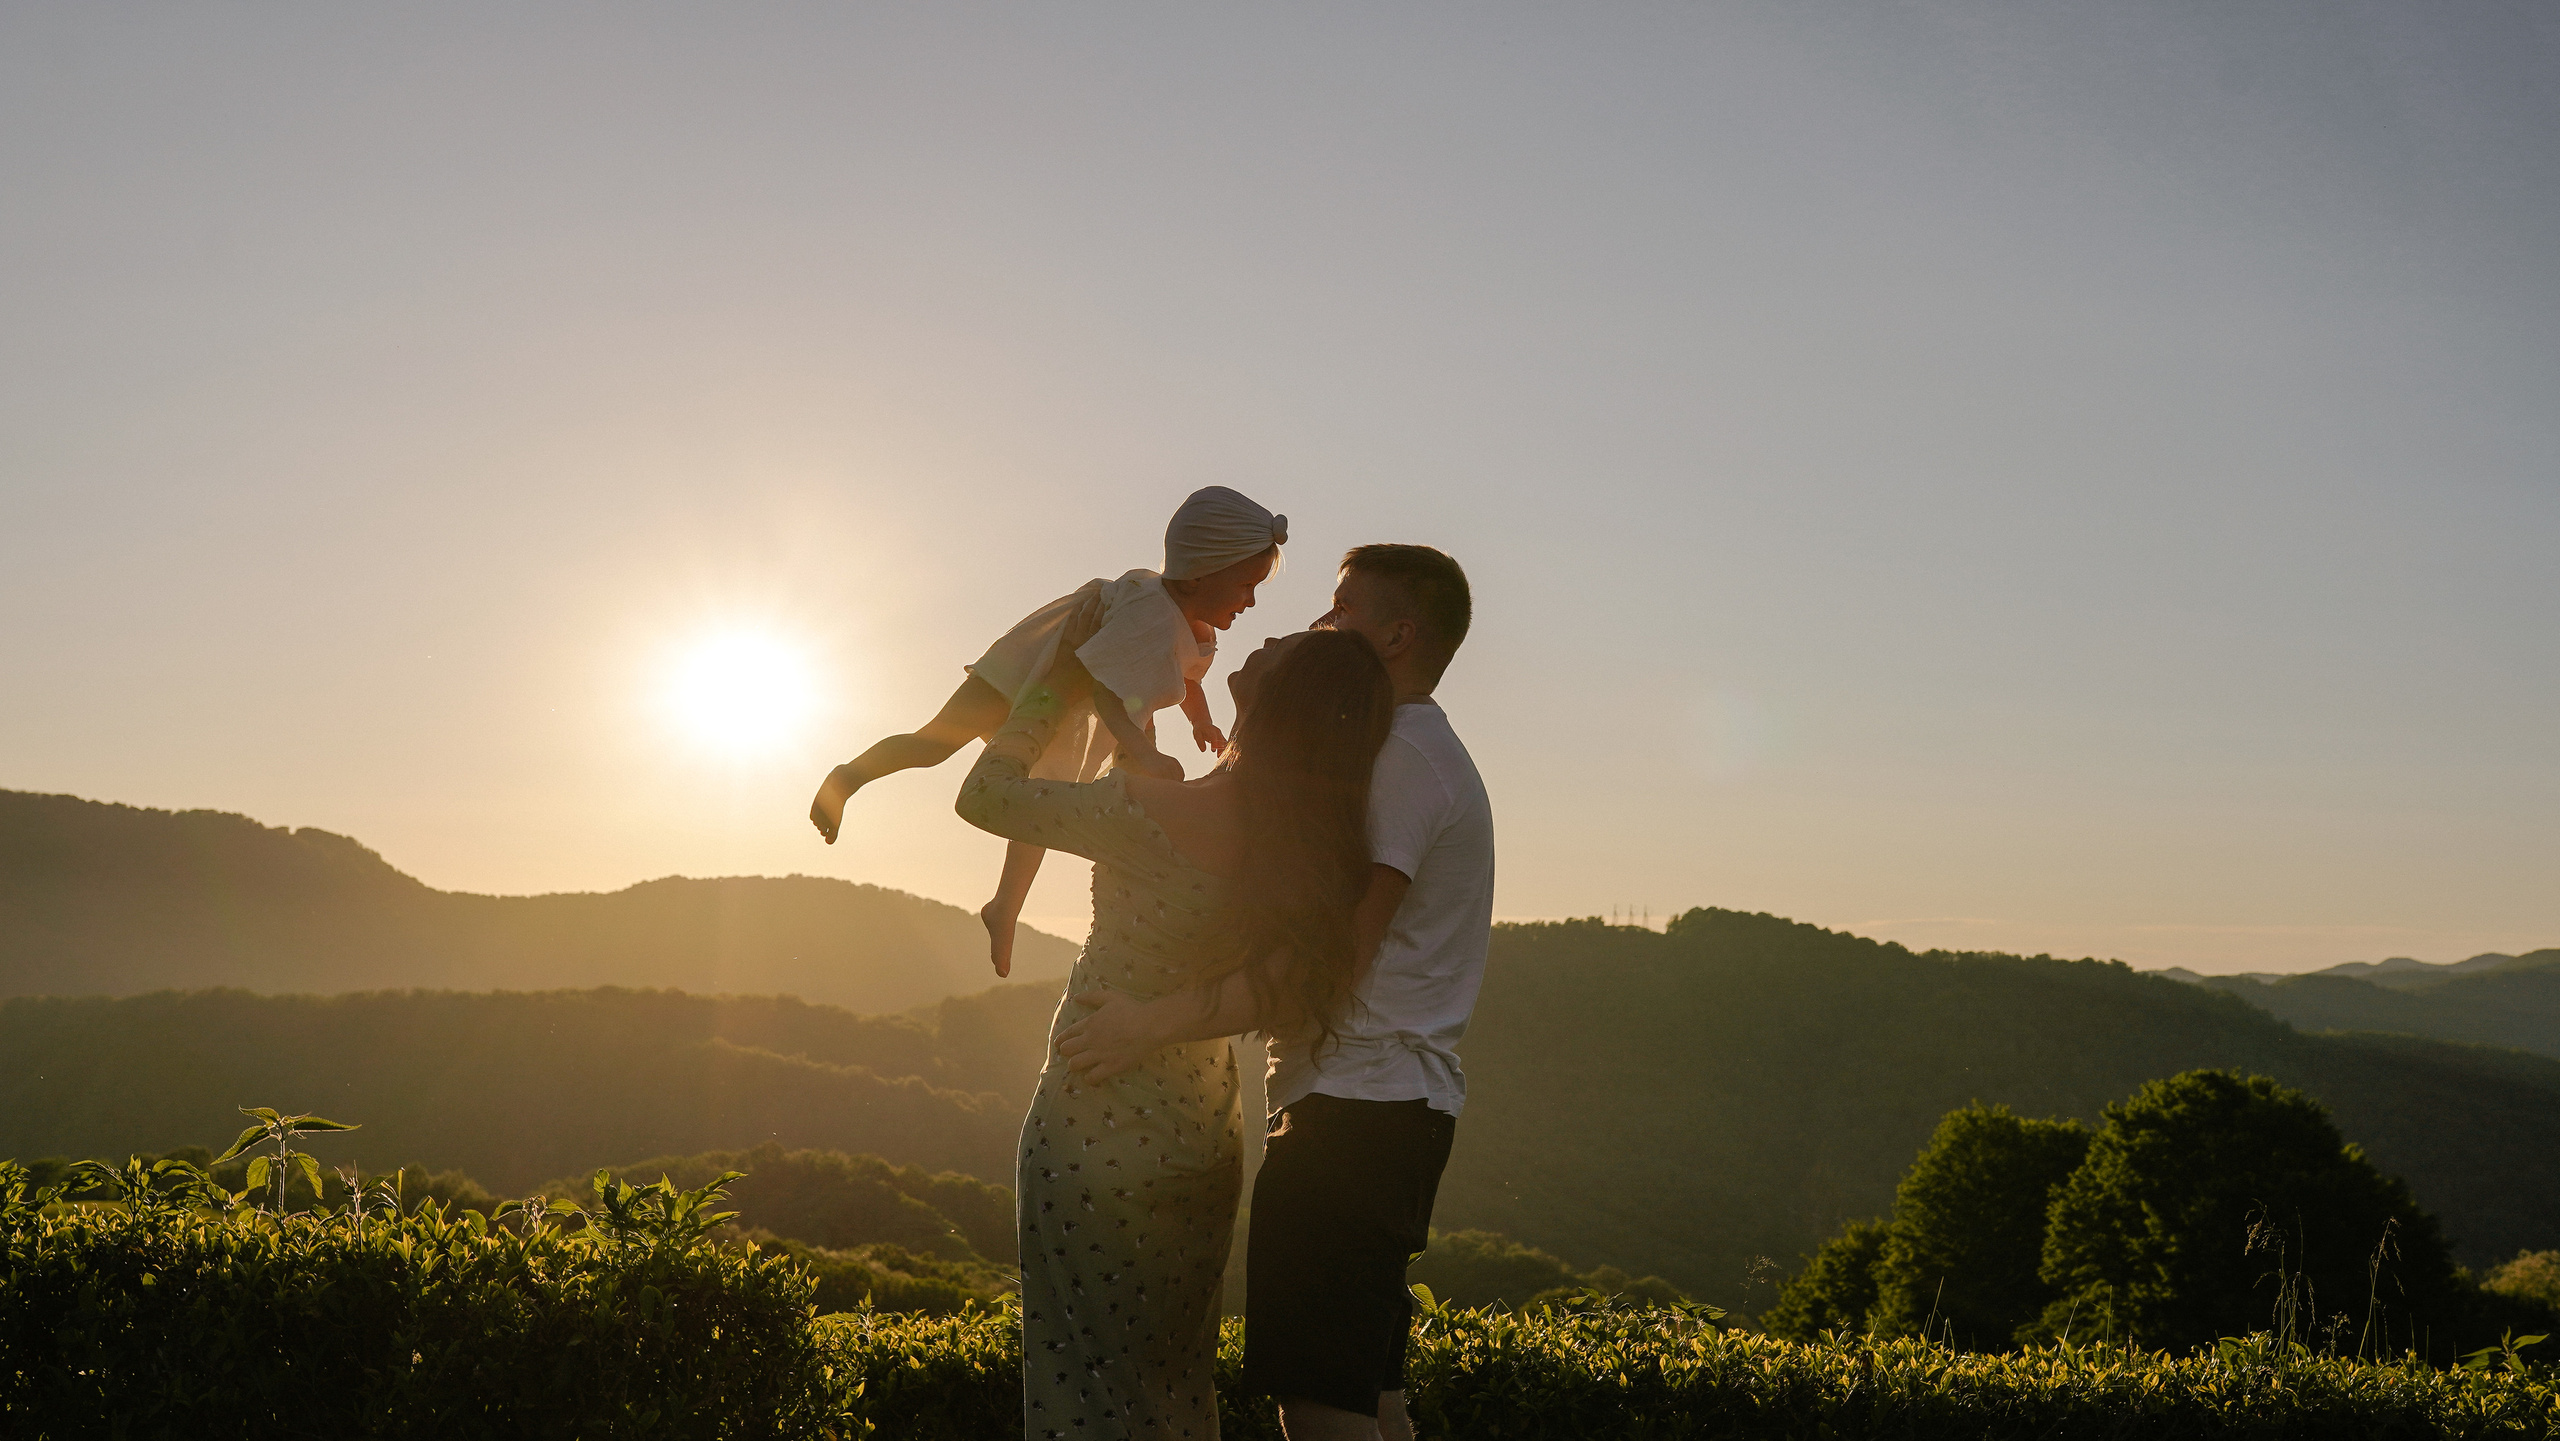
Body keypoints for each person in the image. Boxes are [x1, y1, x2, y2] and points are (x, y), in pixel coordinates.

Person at [1057, 544, 1493, 1441]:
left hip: (1357, 1118)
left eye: (1341, 609)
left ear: (1398, 633)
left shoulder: (1405, 759)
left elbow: (1326, 960)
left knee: (1321, 1410)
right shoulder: (1409, 751)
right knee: (1372, 1399)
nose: (1321, 624)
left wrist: (1151, 1022)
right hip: (1389, 1111)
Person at [955, 620, 1398, 1441]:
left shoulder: (1144, 808)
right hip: (1200, 1136)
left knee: (1081, 1385)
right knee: (1170, 1386)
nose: (1264, 636)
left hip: (1091, 1118)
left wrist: (1052, 682)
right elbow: (1290, 981)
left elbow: (982, 794)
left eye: (1283, 646)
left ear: (1281, 697)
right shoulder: (1307, 849)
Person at [810, 486, 1287, 975]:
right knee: (934, 744)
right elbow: (1106, 693)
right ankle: (847, 777)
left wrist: (1202, 721)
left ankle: (1005, 907)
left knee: (1041, 794)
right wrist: (1143, 751)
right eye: (1246, 585)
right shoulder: (1152, 615)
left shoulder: (1195, 628)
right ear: (1205, 568)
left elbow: (1185, 680)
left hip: (1062, 707)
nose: (1250, 602)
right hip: (1027, 673)